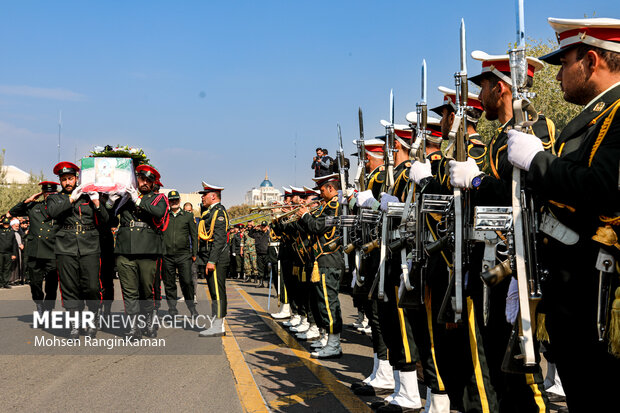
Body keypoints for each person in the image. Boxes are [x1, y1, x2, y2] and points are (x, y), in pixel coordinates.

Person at [506, 17, 620, 412]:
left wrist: (539, 162)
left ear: (591, 60)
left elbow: (603, 189)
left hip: (599, 293)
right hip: (575, 288)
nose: (557, 76)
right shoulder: (595, 117)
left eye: (564, 62)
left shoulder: (618, 113)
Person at [449, 50, 553, 412]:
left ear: (501, 88)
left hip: (518, 261)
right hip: (487, 259)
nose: (480, 97)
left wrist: (476, 180)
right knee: (494, 357)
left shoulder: (538, 130)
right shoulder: (497, 140)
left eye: (484, 88)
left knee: (521, 363)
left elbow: (524, 190)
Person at [47, 161, 109, 339]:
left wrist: (97, 202)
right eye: (64, 179)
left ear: (77, 178)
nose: (67, 182)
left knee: (91, 286)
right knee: (69, 286)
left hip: (89, 245)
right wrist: (71, 199)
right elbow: (52, 212)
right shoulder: (55, 198)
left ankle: (93, 316)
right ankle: (75, 323)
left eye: (70, 178)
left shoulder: (89, 196)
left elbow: (105, 221)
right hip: (65, 246)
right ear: (60, 181)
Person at [109, 164, 168, 340]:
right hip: (125, 249)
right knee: (129, 291)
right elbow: (110, 219)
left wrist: (138, 200)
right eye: (141, 179)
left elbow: (158, 214)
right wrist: (111, 202)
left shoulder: (158, 199)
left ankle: (148, 320)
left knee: (146, 291)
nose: (144, 183)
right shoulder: (125, 198)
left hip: (147, 250)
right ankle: (133, 327)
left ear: (153, 183)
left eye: (148, 180)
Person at [296, 173, 344, 359]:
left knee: (329, 304)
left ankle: (334, 344)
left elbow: (317, 227)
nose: (320, 193)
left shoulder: (335, 206)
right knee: (322, 302)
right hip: (322, 260)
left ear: (331, 188)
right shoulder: (327, 206)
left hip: (329, 259)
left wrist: (306, 215)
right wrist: (302, 217)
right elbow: (310, 229)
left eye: (322, 189)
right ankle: (328, 340)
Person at [8, 181, 60, 313]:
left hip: (52, 249)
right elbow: (12, 212)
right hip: (35, 250)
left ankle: (48, 307)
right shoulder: (34, 206)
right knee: (35, 282)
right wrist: (27, 200)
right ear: (43, 194)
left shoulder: (60, 208)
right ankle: (38, 302)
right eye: (46, 193)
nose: (49, 196)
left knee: (51, 282)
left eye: (52, 193)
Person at [197, 182, 230, 337]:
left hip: (216, 258)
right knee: (213, 290)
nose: (202, 198)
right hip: (210, 256)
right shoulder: (210, 212)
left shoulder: (219, 213)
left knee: (217, 291)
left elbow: (219, 240)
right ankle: (217, 323)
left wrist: (212, 261)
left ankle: (218, 325)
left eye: (204, 195)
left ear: (213, 196)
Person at [162, 190, 198, 317]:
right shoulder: (164, 215)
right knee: (169, 283)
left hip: (184, 255)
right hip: (167, 255)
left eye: (176, 200)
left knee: (187, 282)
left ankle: (191, 307)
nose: (174, 202)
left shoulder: (187, 216)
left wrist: (194, 253)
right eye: (171, 200)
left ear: (179, 200)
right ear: (168, 201)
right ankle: (172, 308)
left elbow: (194, 236)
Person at [249, 221, 270, 288]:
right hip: (259, 253)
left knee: (268, 269)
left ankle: (269, 283)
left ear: (267, 227)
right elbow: (250, 234)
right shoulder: (257, 233)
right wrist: (254, 228)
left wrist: (269, 229)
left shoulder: (269, 233)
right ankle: (261, 283)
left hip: (267, 253)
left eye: (264, 226)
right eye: (262, 226)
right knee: (260, 269)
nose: (263, 227)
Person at [0, 216, 17, 289]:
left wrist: (14, 254)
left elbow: (14, 244)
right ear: (2, 224)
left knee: (7, 268)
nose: (6, 225)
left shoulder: (12, 232)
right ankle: (0, 283)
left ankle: (6, 283)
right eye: (4, 224)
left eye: (7, 224)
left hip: (8, 253)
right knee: (0, 268)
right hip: (0, 252)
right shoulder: (0, 231)